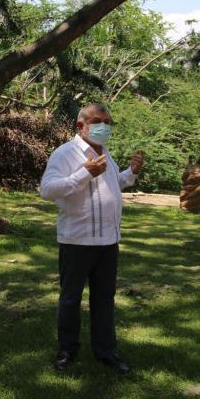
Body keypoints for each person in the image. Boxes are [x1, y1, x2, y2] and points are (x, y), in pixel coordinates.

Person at [40, 103, 144, 374]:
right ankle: (67, 351)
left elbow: (112, 185)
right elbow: (47, 190)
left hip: (108, 241)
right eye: (98, 121)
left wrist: (130, 173)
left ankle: (106, 352)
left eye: (108, 122)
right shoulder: (66, 154)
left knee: (104, 298)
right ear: (81, 125)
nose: (104, 126)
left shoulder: (106, 155)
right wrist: (84, 173)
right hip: (77, 240)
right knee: (71, 298)